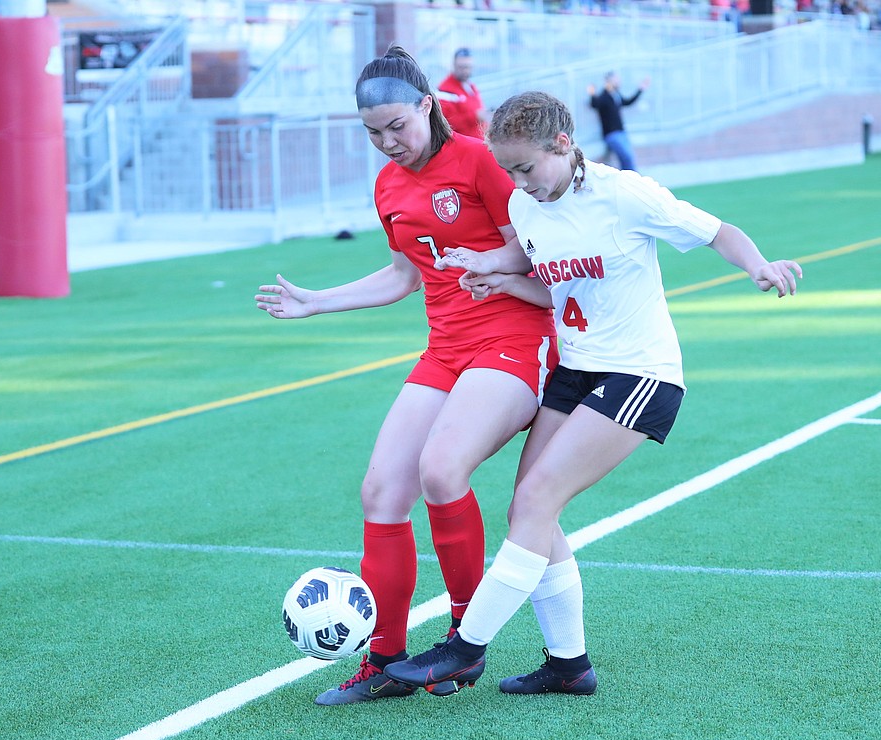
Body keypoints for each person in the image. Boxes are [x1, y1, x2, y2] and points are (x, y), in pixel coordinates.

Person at [384, 90, 801, 696]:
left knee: (535, 503)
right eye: (507, 172)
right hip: (576, 370)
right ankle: (568, 666)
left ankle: (464, 647)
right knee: (530, 505)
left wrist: (757, 264)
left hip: (639, 375)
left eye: (525, 168)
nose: (518, 184)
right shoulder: (529, 208)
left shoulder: (624, 193)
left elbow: (717, 231)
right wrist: (491, 271)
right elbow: (539, 274)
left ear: (563, 143)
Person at [255, 48, 557, 705]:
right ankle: (387, 662)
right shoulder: (388, 186)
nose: (387, 143)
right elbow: (402, 276)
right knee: (380, 493)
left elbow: (541, 257)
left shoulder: (480, 160)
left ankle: (462, 639)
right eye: (372, 133)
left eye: (397, 125)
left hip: (515, 340)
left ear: (427, 104)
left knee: (441, 470)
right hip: (446, 349)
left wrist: (492, 264)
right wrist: (318, 300)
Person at [587, 71, 648, 172]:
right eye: (616, 79)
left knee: (628, 159)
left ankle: (631, 181)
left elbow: (627, 102)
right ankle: (631, 181)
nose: (618, 81)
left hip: (621, 133)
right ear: (609, 81)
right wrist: (592, 93)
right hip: (612, 135)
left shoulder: (616, 95)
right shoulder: (604, 97)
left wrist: (640, 89)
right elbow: (595, 104)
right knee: (627, 158)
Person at [436, 47, 490, 138]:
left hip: (480, 141)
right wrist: (475, 116)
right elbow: (446, 123)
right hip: (464, 145)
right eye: (461, 67)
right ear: (454, 65)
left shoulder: (470, 86)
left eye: (468, 67)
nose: (465, 71)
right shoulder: (445, 90)